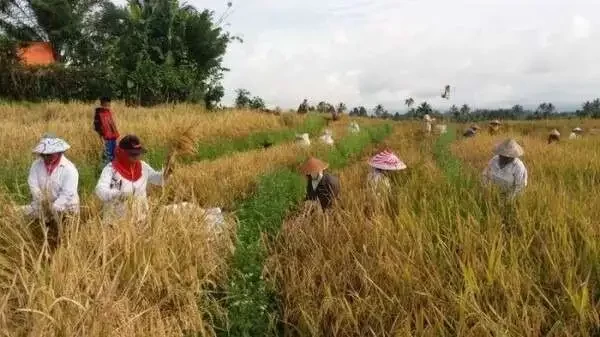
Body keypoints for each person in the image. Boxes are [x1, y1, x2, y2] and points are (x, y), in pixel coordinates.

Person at [24, 134, 79, 248]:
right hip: (42, 205)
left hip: (66, 208)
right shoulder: (36, 165)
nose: (46, 158)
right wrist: (43, 201)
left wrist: (53, 209)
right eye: (43, 155)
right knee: (20, 215)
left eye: (49, 155)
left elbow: (67, 194)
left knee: (62, 239)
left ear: (59, 153)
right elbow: (33, 184)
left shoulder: (69, 169)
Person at [95, 135, 166, 223]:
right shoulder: (111, 170)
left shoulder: (143, 167)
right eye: (132, 154)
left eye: (138, 153)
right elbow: (100, 190)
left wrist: (167, 173)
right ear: (122, 153)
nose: (136, 157)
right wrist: (117, 195)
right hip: (116, 223)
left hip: (141, 220)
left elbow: (158, 180)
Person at [93, 96, 120, 164]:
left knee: (114, 156)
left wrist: (117, 137)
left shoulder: (108, 112)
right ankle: (105, 171)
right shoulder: (98, 114)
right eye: (106, 105)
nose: (107, 107)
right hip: (106, 139)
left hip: (113, 138)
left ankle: (113, 171)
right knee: (107, 157)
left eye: (109, 105)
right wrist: (102, 140)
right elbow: (98, 129)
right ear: (102, 104)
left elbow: (113, 125)